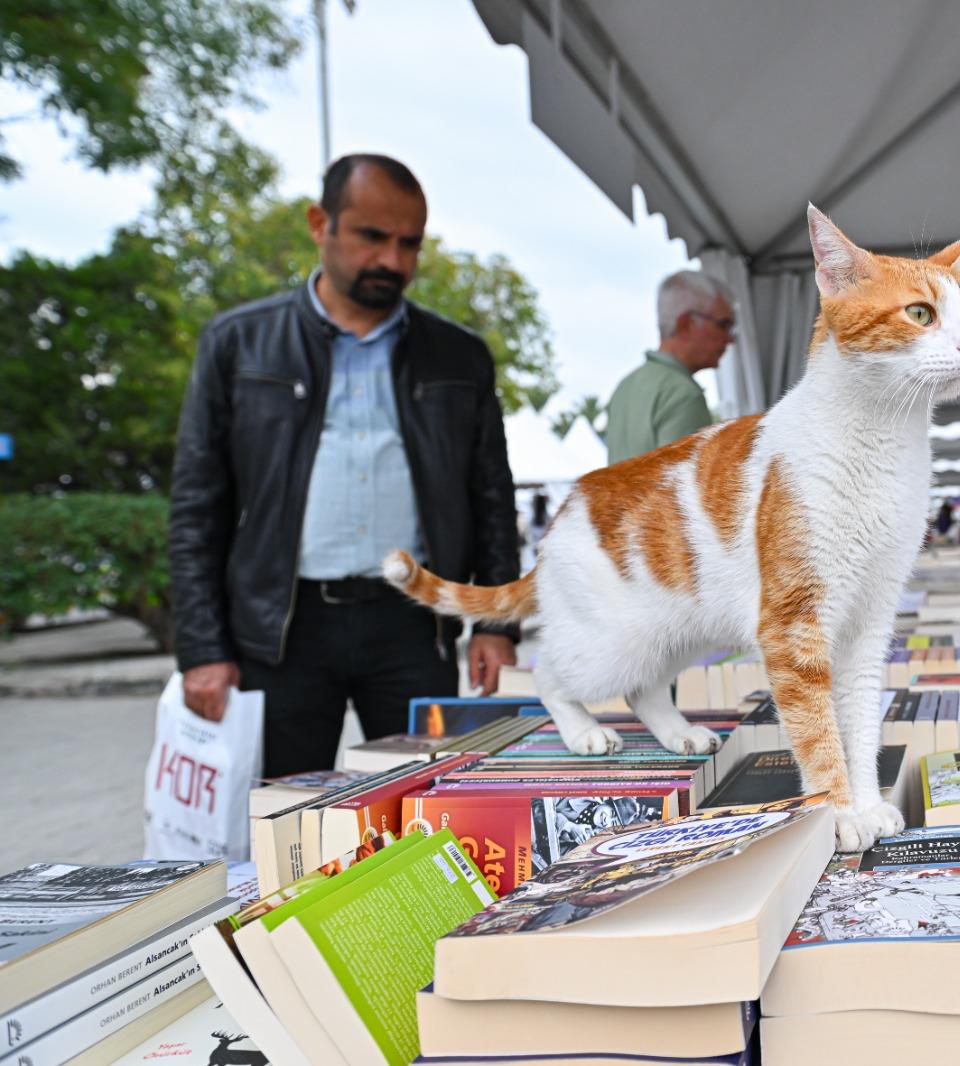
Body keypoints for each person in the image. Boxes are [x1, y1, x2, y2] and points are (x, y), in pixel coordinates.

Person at [169, 154, 521, 777]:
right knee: (284, 816)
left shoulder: (458, 355)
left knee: (422, 811)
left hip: (414, 626)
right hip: (282, 634)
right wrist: (201, 649)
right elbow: (198, 506)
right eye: (372, 236)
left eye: (409, 243)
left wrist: (496, 625)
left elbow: (490, 495)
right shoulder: (237, 343)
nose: (392, 260)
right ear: (319, 224)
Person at [604, 270, 735, 464]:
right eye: (723, 324)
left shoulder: (626, 385)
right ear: (686, 324)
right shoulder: (682, 393)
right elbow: (682, 492)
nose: (730, 338)